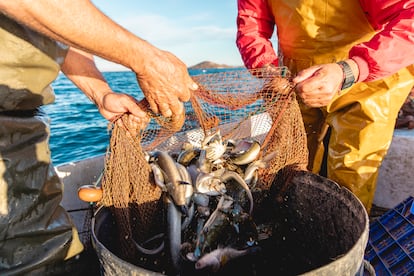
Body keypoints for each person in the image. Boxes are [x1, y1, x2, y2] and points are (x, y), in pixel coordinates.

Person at [0, 1, 198, 274]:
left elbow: (57, 28)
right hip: (7, 121)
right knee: (33, 257)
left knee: (50, 247)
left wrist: (100, 93)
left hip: (24, 121)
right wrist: (147, 59)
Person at [236, 0, 414, 214]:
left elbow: (409, 18)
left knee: (351, 172)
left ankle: (345, 234)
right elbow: (251, 25)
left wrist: (351, 69)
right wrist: (267, 69)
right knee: (292, 170)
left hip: (366, 79)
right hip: (295, 81)